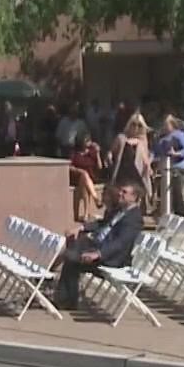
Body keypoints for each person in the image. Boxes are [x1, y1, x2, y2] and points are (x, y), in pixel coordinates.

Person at [55, 179, 145, 308]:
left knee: (72, 258)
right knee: (72, 243)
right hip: (97, 245)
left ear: (134, 197)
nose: (120, 193)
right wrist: (81, 228)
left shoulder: (134, 219)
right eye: (120, 190)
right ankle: (63, 294)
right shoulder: (119, 210)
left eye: (124, 192)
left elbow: (120, 243)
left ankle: (66, 299)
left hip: (112, 259)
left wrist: (98, 254)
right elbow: (102, 223)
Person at [69, 132, 103, 223]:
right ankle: (95, 200)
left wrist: (98, 152)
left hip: (91, 178)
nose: (89, 142)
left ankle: (85, 214)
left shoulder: (92, 152)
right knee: (84, 175)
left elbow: (100, 167)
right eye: (86, 140)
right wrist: (80, 171)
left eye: (89, 140)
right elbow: (70, 166)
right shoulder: (75, 153)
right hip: (77, 177)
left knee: (84, 183)